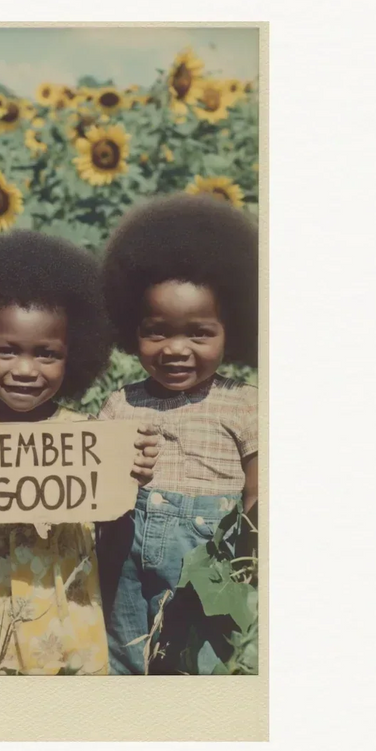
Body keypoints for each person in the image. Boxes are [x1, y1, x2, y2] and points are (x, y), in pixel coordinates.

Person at [0, 232, 157, 676]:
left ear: (73, 356)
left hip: (66, 611)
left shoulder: (88, 434)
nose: (24, 370)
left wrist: (130, 469)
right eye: (7, 351)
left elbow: (111, 519)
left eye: (46, 355)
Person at [97, 194, 260, 674]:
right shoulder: (120, 404)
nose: (175, 349)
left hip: (209, 566)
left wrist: (250, 559)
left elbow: (259, 487)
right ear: (132, 330)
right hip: (124, 563)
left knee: (200, 665)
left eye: (198, 334)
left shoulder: (244, 402)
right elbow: (92, 484)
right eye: (157, 331)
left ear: (233, 332)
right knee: (123, 657)